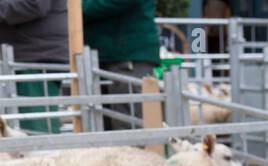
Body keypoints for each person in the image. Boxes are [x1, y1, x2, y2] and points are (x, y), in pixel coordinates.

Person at [83, 0, 159, 130]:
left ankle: (137, 149)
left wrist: (77, 6)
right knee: (104, 126)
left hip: (127, 57)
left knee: (128, 126)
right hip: (110, 56)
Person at [0, 0, 69, 133]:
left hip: (35, 58)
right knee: (20, 129)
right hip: (22, 58)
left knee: (36, 132)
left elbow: (33, 4)